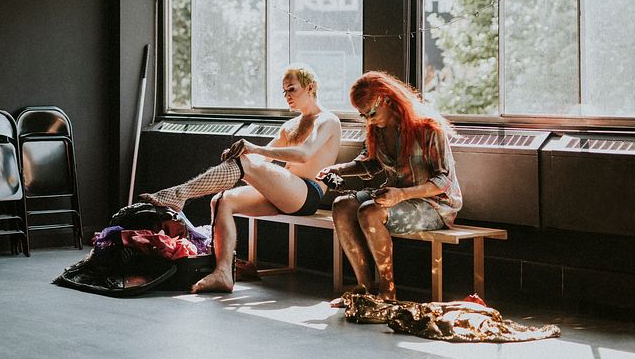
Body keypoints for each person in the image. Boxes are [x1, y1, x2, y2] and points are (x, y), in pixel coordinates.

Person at [141, 64, 341, 293]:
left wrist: (251, 152)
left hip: (308, 193)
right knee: (221, 200)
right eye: (284, 91)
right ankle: (223, 272)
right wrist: (238, 158)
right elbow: (261, 162)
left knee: (245, 163)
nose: (287, 96)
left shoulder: (327, 120)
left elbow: (305, 154)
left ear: (310, 87)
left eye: (292, 89)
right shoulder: (290, 126)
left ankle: (179, 194)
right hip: (285, 192)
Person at [318, 71, 462, 303]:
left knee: (369, 212)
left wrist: (402, 194)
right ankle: (364, 287)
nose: (369, 121)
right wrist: (338, 169)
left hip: (434, 204)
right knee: (342, 206)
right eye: (363, 115)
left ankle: (387, 291)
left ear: (386, 98)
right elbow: (372, 163)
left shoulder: (428, 127)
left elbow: (443, 181)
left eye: (372, 113)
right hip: (396, 193)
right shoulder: (378, 129)